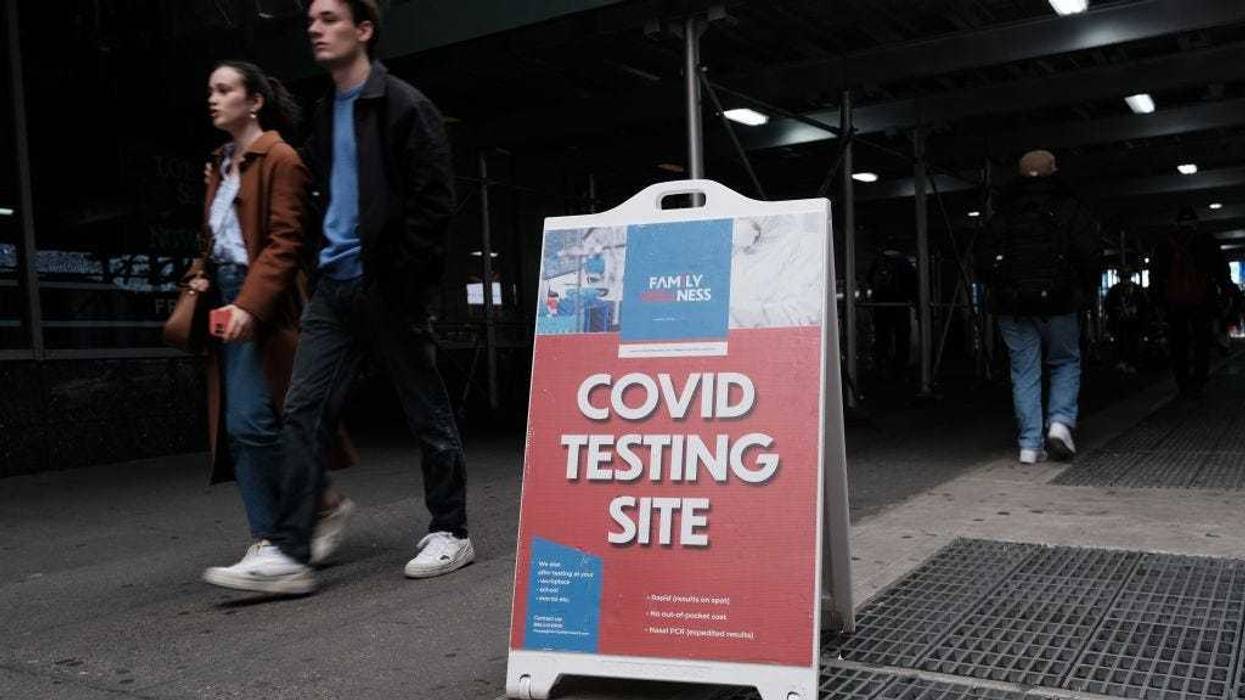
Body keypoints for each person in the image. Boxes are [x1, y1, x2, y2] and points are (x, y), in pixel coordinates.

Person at [202, 0, 467, 595]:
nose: (315, 30)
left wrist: (405, 281)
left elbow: (433, 206)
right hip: (335, 289)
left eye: (329, 19)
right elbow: (324, 205)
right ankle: (291, 554)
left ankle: (450, 528)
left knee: (424, 409)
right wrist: (325, 270)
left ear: (364, 29)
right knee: (302, 412)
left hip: (388, 286)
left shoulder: (403, 105)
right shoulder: (325, 113)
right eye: (311, 22)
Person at [189, 61, 356, 587]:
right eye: (210, 90)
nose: (213, 99)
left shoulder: (280, 157)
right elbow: (214, 239)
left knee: (252, 422)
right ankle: (319, 505)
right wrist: (200, 276)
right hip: (227, 297)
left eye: (224, 90)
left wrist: (250, 305)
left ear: (254, 100)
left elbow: (285, 243)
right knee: (260, 421)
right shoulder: (219, 163)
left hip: (266, 304)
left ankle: (274, 541)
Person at [978, 150, 1099, 464]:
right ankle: (1059, 425)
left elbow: (982, 261)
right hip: (1060, 302)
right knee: (1065, 362)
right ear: (1055, 170)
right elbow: (1088, 255)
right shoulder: (1070, 207)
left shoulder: (1003, 212)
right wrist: (1084, 293)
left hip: (1013, 304)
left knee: (1024, 371)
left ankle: (1029, 445)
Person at [1152, 206, 1232, 397]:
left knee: (1178, 342)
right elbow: (1221, 270)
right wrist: (1225, 293)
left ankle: (1182, 381)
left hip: (1174, 303)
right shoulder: (1207, 241)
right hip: (1202, 300)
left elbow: (1156, 276)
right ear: (1196, 223)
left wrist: (1158, 303)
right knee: (1202, 341)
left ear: (1177, 224)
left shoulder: (1165, 245)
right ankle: (1199, 380)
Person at [867, 241, 917, 378]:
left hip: (881, 305)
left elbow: (869, 280)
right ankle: (900, 367)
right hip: (900, 304)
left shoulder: (878, 262)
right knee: (902, 337)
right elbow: (913, 283)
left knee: (882, 336)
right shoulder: (905, 263)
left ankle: (883, 366)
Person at [1104, 264, 1149, 374]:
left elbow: (1145, 306)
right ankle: (1124, 362)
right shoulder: (1116, 290)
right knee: (1121, 342)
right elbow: (1108, 305)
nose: (1125, 281)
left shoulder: (1136, 290)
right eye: (1124, 278)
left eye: (1126, 277)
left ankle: (1131, 363)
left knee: (1133, 342)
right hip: (1121, 322)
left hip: (1134, 322)